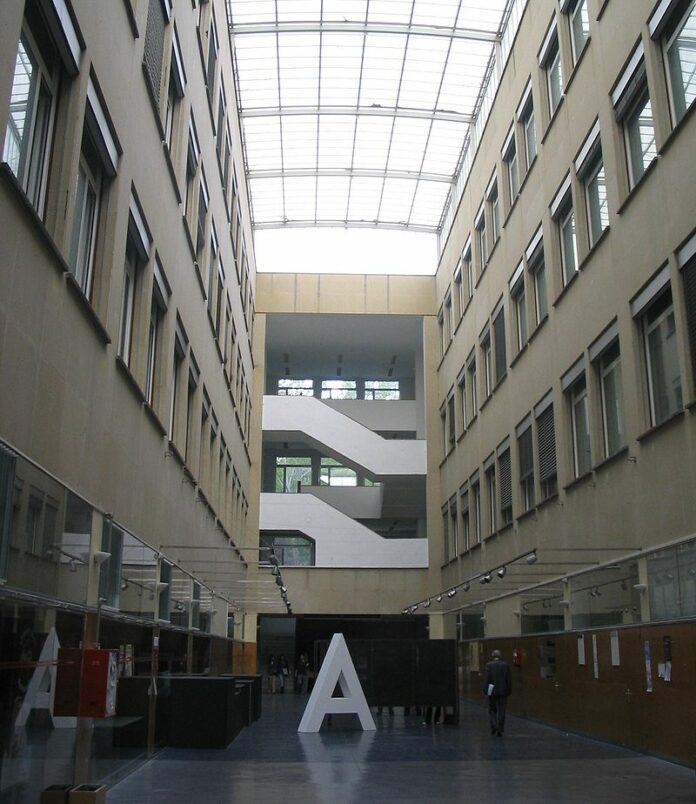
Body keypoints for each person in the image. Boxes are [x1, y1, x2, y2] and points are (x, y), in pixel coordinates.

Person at [483, 649, 511, 736]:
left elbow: (487, 679)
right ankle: (500, 728)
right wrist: (509, 690)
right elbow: (508, 679)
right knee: (502, 710)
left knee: (492, 709)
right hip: (503, 691)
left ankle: (494, 725)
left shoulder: (488, 665)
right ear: (500, 656)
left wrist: (485, 690)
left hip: (492, 691)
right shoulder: (505, 665)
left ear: (492, 656)